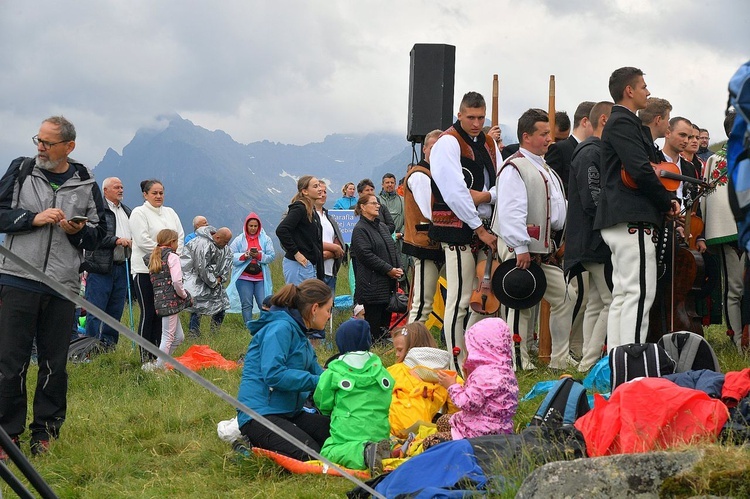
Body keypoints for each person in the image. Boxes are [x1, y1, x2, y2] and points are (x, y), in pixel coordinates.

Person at [0, 116, 107, 457]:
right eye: (39, 140)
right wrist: (31, 219)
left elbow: (100, 233)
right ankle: (7, 434)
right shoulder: (21, 170)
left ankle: (44, 433)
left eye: (47, 142)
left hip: (62, 285)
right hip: (18, 278)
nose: (40, 147)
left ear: (69, 147)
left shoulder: (86, 181)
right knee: (10, 361)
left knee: (54, 363)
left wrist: (79, 232)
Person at [594, 67, 680, 349]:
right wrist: (666, 201)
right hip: (632, 215)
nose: (648, 91)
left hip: (622, 216)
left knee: (625, 293)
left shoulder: (623, 123)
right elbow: (641, 170)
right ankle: (631, 364)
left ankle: (620, 361)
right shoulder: (623, 122)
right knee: (639, 292)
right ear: (629, 90)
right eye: (643, 86)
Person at [494, 108, 575, 370]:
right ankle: (518, 363)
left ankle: (559, 360)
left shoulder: (543, 167)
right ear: (526, 137)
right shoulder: (515, 167)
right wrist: (519, 247)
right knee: (519, 301)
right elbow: (510, 211)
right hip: (521, 247)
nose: (549, 139)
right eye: (543, 134)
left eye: (549, 133)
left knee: (565, 296)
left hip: (544, 247)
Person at [429, 91, 499, 372]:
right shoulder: (447, 142)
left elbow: (500, 183)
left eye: (481, 117)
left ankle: (472, 356)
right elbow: (456, 192)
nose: (476, 123)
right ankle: (455, 363)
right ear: (459, 115)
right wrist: (478, 227)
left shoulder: (489, 142)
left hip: (485, 224)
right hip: (457, 229)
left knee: (480, 298)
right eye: (470, 117)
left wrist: (485, 197)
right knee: (458, 300)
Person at [236, 279, 332, 461]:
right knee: (310, 454)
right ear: (314, 309)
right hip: (260, 415)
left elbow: (321, 375)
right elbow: (274, 374)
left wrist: (344, 381)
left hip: (289, 412)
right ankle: (247, 450)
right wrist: (318, 381)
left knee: (334, 433)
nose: (328, 316)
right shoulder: (280, 328)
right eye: (328, 310)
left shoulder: (301, 335)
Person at [565, 101, 615, 372]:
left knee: (596, 302)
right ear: (604, 121)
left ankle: (587, 359)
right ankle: (590, 361)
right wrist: (608, 224)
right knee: (611, 301)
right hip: (593, 239)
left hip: (589, 239)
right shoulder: (590, 152)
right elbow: (592, 196)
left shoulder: (590, 151)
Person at [426, 318, 518, 447]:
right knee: (443, 421)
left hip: (479, 434)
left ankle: (460, 451)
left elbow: (468, 404)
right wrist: (468, 374)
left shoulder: (484, 374)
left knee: (431, 442)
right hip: (501, 430)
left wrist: (452, 386)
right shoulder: (506, 370)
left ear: (482, 348)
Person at [699, 111, 746, 349]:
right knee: (735, 288)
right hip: (734, 235)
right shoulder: (716, 162)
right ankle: (738, 341)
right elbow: (713, 200)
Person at [313, 336, 393, 473]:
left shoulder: (334, 372)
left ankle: (365, 452)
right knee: (376, 434)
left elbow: (322, 401)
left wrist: (328, 411)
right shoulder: (382, 371)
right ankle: (382, 448)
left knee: (328, 451)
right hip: (379, 430)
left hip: (348, 431)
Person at [130, 179, 185, 364]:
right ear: (145, 194)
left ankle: (159, 357)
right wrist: (166, 254)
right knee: (148, 313)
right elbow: (142, 240)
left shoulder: (170, 212)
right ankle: (146, 357)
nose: (159, 196)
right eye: (154, 193)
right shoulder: (139, 213)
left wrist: (175, 255)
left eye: (161, 192)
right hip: (145, 270)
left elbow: (180, 236)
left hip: (167, 274)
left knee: (161, 313)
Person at [81, 176, 132, 349]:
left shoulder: (127, 211)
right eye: (117, 187)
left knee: (115, 311)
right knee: (95, 311)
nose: (121, 190)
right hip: (100, 268)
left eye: (122, 187)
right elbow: (92, 237)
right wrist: (116, 240)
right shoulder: (97, 210)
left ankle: (109, 348)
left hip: (121, 265)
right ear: (105, 190)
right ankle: (89, 348)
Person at [403, 129, 445, 323]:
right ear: (425, 149)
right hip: (425, 244)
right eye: (433, 147)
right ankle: (411, 348)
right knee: (422, 303)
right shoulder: (420, 175)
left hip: (437, 242)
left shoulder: (436, 173)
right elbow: (430, 211)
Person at [387, 322, 455, 438]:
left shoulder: (395, 371)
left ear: (411, 350)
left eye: (399, 350)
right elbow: (456, 410)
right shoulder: (448, 377)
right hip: (423, 433)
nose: (397, 355)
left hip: (391, 430)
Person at [350, 194, 403, 342]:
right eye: (373, 203)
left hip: (387, 282)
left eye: (378, 203)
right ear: (362, 207)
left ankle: (382, 344)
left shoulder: (382, 226)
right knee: (373, 321)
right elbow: (366, 255)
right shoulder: (360, 229)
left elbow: (392, 247)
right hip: (371, 284)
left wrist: (398, 267)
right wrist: (388, 269)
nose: (377, 206)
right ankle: (373, 347)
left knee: (385, 321)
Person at [143, 229, 191, 371]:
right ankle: (158, 368)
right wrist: (184, 295)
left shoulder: (154, 257)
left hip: (160, 300)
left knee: (179, 337)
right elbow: (177, 281)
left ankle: (161, 362)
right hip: (171, 301)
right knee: (168, 336)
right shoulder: (172, 257)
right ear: (172, 242)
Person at [182, 226, 233, 337]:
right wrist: (214, 281)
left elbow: (227, 263)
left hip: (215, 282)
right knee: (198, 306)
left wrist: (220, 279)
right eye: (225, 242)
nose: (226, 244)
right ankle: (193, 333)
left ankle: (214, 332)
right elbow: (201, 267)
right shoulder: (202, 243)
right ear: (218, 237)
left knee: (221, 306)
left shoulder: (224, 248)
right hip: (197, 282)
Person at [227, 213, 275, 326]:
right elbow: (230, 255)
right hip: (243, 277)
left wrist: (259, 256)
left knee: (263, 302)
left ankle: (265, 324)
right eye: (250, 226)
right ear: (246, 226)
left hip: (260, 278)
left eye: (255, 226)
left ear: (259, 226)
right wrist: (245, 256)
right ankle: (248, 326)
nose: (253, 228)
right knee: (246, 303)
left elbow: (271, 256)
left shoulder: (266, 239)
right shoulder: (239, 240)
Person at [276, 175, 325, 285]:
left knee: (310, 300)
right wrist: (296, 253)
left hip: (309, 266)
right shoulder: (300, 208)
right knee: (299, 300)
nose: (320, 189)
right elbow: (282, 230)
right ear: (305, 191)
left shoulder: (311, 210)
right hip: (298, 265)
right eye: (315, 186)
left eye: (320, 186)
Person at [546, 101, 595, 196]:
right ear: (585, 122)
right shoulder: (559, 149)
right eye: (596, 124)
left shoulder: (595, 152)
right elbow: (552, 183)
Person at [316, 180, 346, 295]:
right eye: (320, 191)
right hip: (315, 272)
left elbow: (339, 243)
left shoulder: (329, 218)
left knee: (328, 310)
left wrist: (332, 253)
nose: (323, 194)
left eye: (325, 191)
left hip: (331, 271)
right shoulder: (307, 216)